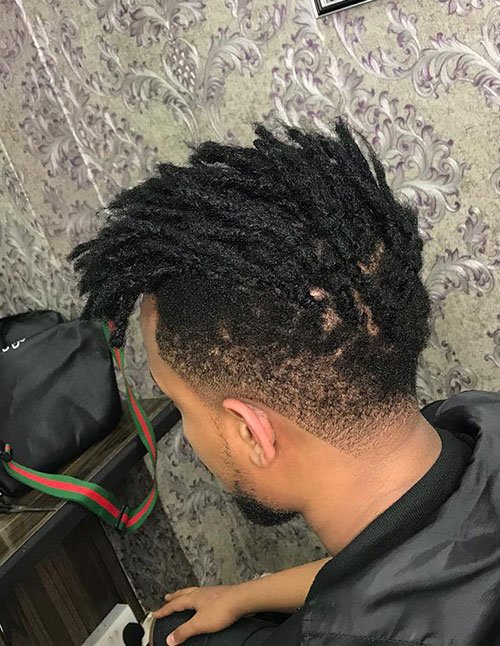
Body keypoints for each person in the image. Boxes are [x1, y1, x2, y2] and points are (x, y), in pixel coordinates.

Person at [69, 119, 500, 646]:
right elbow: (411, 568)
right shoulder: (479, 421)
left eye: (182, 407)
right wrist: (248, 594)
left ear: (251, 432)